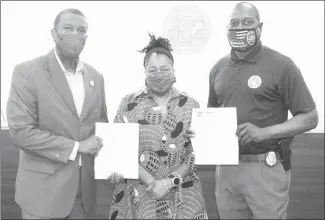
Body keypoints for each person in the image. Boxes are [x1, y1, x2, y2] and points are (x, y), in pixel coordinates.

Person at [187, 2, 318, 219]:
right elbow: (213, 117)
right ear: (227, 29)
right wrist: (200, 134)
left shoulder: (282, 65)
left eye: (247, 22)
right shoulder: (217, 69)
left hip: (266, 167)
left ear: (260, 27)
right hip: (226, 170)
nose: (240, 29)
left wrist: (264, 132)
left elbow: (310, 117)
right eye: (234, 24)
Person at [6, 8, 111, 219]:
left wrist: (115, 156)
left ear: (86, 38)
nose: (76, 35)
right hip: (42, 195)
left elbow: (101, 126)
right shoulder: (27, 72)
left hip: (83, 196)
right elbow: (21, 132)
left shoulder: (96, 77)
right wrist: (77, 147)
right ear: (54, 34)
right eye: (68, 28)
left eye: (81, 30)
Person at [108, 33, 208, 219]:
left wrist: (170, 182)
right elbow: (119, 149)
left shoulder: (191, 105)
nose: (159, 74)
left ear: (174, 70)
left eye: (164, 69)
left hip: (183, 192)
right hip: (138, 193)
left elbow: (197, 152)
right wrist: (152, 182)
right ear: (144, 72)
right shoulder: (128, 104)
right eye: (152, 70)